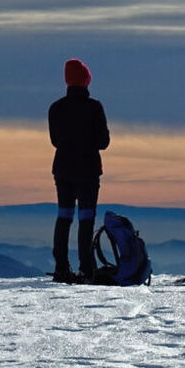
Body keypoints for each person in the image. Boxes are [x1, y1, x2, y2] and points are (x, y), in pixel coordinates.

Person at [48, 58, 109, 283]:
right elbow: (103, 142)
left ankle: (61, 267)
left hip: (62, 169)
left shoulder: (55, 108)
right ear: (86, 80)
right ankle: (87, 267)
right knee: (86, 218)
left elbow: (55, 141)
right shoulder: (94, 107)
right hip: (88, 170)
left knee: (64, 217)